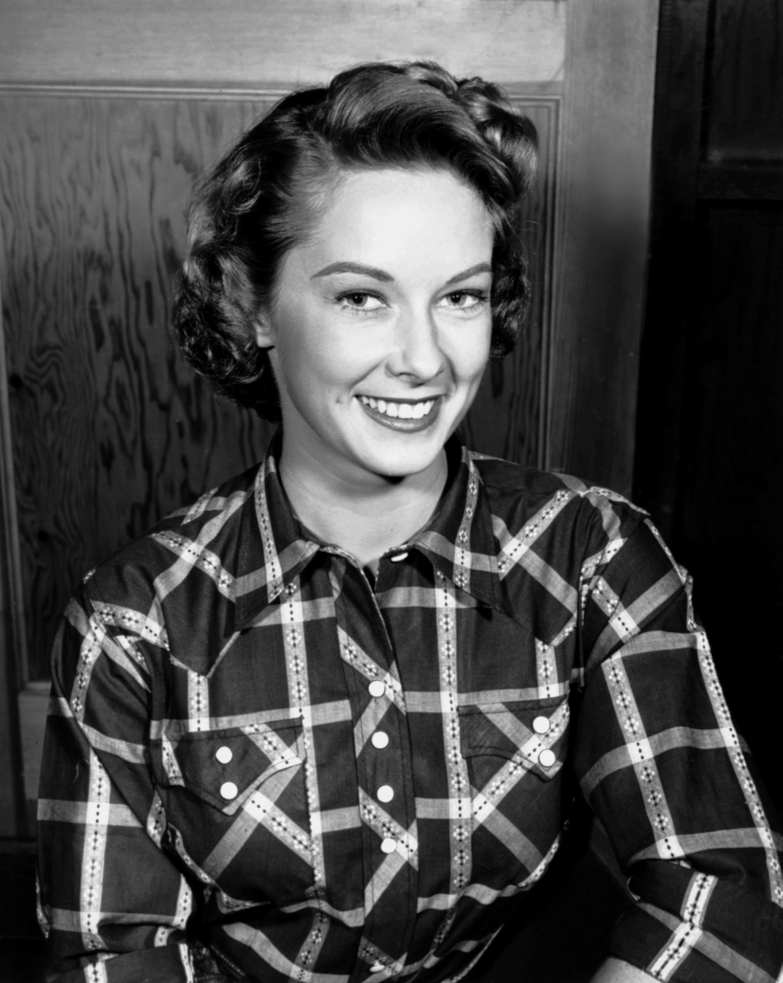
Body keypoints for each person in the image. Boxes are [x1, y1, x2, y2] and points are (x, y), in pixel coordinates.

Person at [36, 61, 783, 983]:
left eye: (459, 295)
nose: (425, 359)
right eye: (361, 297)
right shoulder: (132, 623)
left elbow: (716, 887)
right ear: (248, 303)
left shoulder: (592, 559)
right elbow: (115, 956)